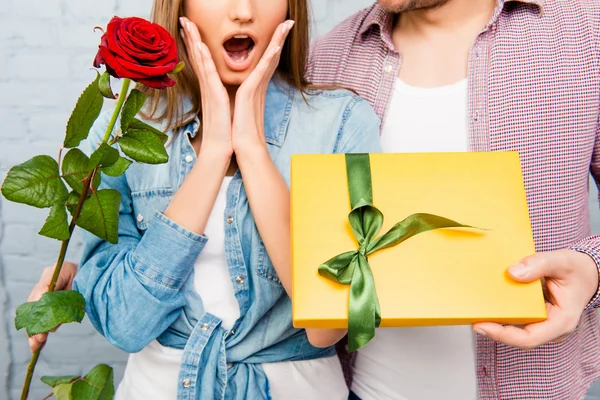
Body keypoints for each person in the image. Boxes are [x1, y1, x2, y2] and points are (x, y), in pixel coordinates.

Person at [29, 0, 600, 399]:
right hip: (364, 386)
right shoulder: (333, 57)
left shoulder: (583, 35)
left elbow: (326, 310)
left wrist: (592, 270)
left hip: (526, 383)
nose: (243, 9)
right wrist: (80, 273)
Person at [25, 0, 380, 399]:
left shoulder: (342, 122)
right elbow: (125, 324)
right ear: (182, 7)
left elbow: (328, 327)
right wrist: (212, 154)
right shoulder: (122, 133)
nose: (243, 11)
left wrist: (252, 148)